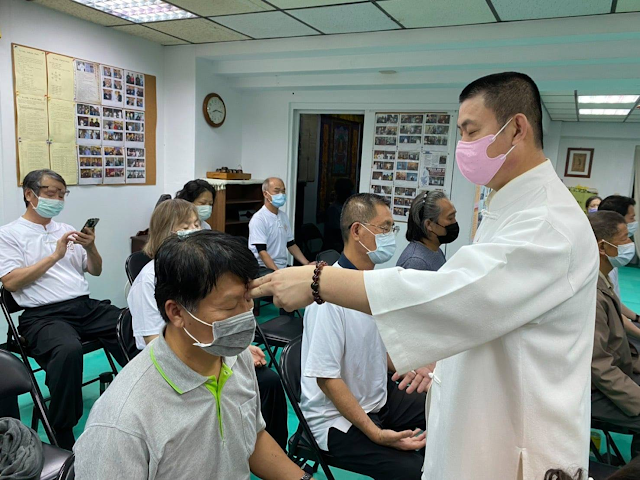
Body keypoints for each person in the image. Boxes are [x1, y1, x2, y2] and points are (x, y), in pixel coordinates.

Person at [250, 72, 599, 479]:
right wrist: (438, 359)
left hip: (513, 431)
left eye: (471, 133)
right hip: (413, 412)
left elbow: (463, 296)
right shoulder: (511, 207)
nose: (463, 148)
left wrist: (319, 280)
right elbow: (488, 306)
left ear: (517, 128)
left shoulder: (546, 223)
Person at [75, 231, 312, 479]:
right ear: (176, 312)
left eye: (248, 300)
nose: (246, 316)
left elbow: (250, 436)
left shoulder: (232, 355)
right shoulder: (124, 419)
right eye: (231, 306)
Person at [128, 200, 289, 448]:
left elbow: (211, 321)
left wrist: (237, 348)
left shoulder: (207, 271)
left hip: (209, 351)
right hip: (182, 362)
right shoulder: (149, 279)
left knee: (269, 382)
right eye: (185, 226)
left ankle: (269, 449)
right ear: (165, 231)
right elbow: (153, 341)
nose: (195, 229)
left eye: (196, 223)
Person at [0, 169, 133, 450]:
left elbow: (95, 271)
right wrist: (55, 256)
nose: (58, 199)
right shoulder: (9, 234)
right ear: (29, 195)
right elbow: (11, 282)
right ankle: (62, 428)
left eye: (62, 194)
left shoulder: (66, 229)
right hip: (42, 316)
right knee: (67, 350)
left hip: (82, 306)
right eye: (51, 193)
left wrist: (92, 247)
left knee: (128, 321)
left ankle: (143, 393)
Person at [301, 194, 427, 480]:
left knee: (441, 404)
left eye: (392, 229)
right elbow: (327, 378)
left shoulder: (372, 285)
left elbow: (376, 350)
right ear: (357, 231)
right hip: (334, 420)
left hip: (376, 399)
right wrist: (377, 434)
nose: (390, 237)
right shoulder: (328, 298)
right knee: (414, 471)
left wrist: (415, 366)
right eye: (384, 228)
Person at [589, 211, 640, 457]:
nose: (630, 244)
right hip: (592, 391)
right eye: (624, 238)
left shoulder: (602, 279)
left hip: (611, 375)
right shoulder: (590, 294)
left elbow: (616, 345)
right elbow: (598, 366)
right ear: (602, 246)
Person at [248, 177, 313, 274]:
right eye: (277, 191)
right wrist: (277, 274)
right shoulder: (259, 219)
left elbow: (291, 244)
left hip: (282, 267)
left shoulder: (283, 216)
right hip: (263, 268)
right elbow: (262, 252)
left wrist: (307, 263)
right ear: (265, 194)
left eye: (283, 191)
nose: (281, 195)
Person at [397, 190, 457, 271]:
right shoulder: (416, 262)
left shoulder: (435, 250)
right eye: (450, 218)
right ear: (429, 224)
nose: (454, 222)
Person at [598, 195, 639, 308]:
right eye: (632, 218)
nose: (635, 222)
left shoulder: (612, 259)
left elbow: (614, 302)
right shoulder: (603, 264)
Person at [324, 178, 354, 252]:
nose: (350, 195)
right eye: (348, 192)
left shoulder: (346, 207)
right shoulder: (334, 209)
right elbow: (337, 233)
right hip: (335, 246)